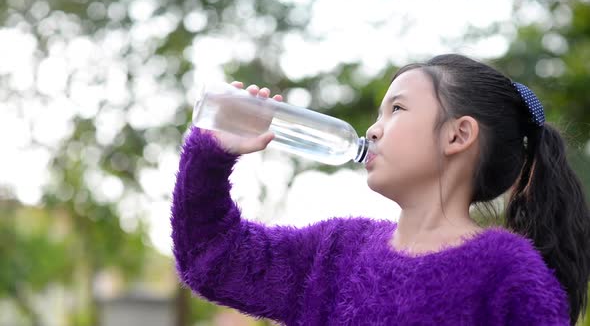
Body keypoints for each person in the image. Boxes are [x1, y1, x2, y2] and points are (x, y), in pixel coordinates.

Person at [170, 54, 590, 325]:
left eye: (397, 109)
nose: (373, 128)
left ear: (458, 135)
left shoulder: (510, 274)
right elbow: (212, 257)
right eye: (378, 113)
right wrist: (212, 157)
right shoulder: (336, 250)